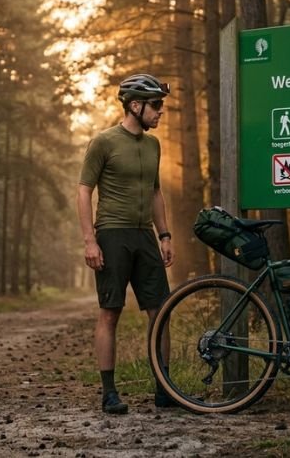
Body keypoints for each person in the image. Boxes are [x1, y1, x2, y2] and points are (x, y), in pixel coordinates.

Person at [77, 73, 175, 415]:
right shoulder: (104, 142)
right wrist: (90, 241)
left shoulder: (153, 145)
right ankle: (109, 393)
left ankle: (166, 388)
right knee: (110, 312)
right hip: (112, 234)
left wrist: (164, 234)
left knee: (161, 311)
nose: (160, 112)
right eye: (156, 106)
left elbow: (155, 192)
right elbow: (84, 190)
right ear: (136, 106)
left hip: (144, 235)